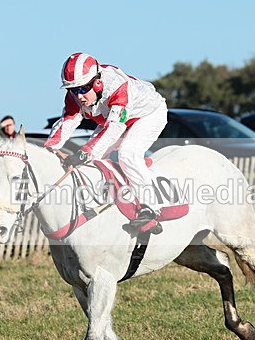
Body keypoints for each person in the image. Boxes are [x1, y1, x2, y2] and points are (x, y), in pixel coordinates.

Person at [44, 52, 168, 232]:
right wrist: (50, 148)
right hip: (116, 120)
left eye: (82, 89)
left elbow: (114, 127)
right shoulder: (75, 95)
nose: (78, 96)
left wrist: (84, 151)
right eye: (73, 90)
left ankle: (151, 209)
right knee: (92, 161)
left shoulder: (118, 87)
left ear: (97, 83)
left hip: (147, 115)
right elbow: (68, 121)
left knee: (128, 154)